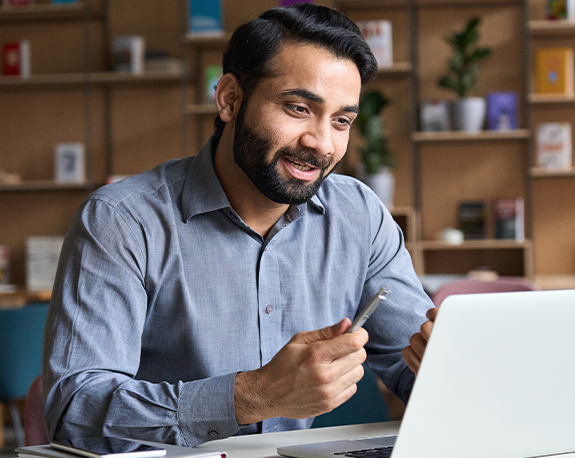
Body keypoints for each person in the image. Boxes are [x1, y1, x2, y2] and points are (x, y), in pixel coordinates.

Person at [43, 3, 436, 448]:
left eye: (342, 120)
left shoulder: (358, 214)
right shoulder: (122, 221)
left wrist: (448, 363)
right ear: (230, 98)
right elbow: (74, 410)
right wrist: (253, 396)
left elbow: (416, 365)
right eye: (298, 108)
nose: (322, 143)